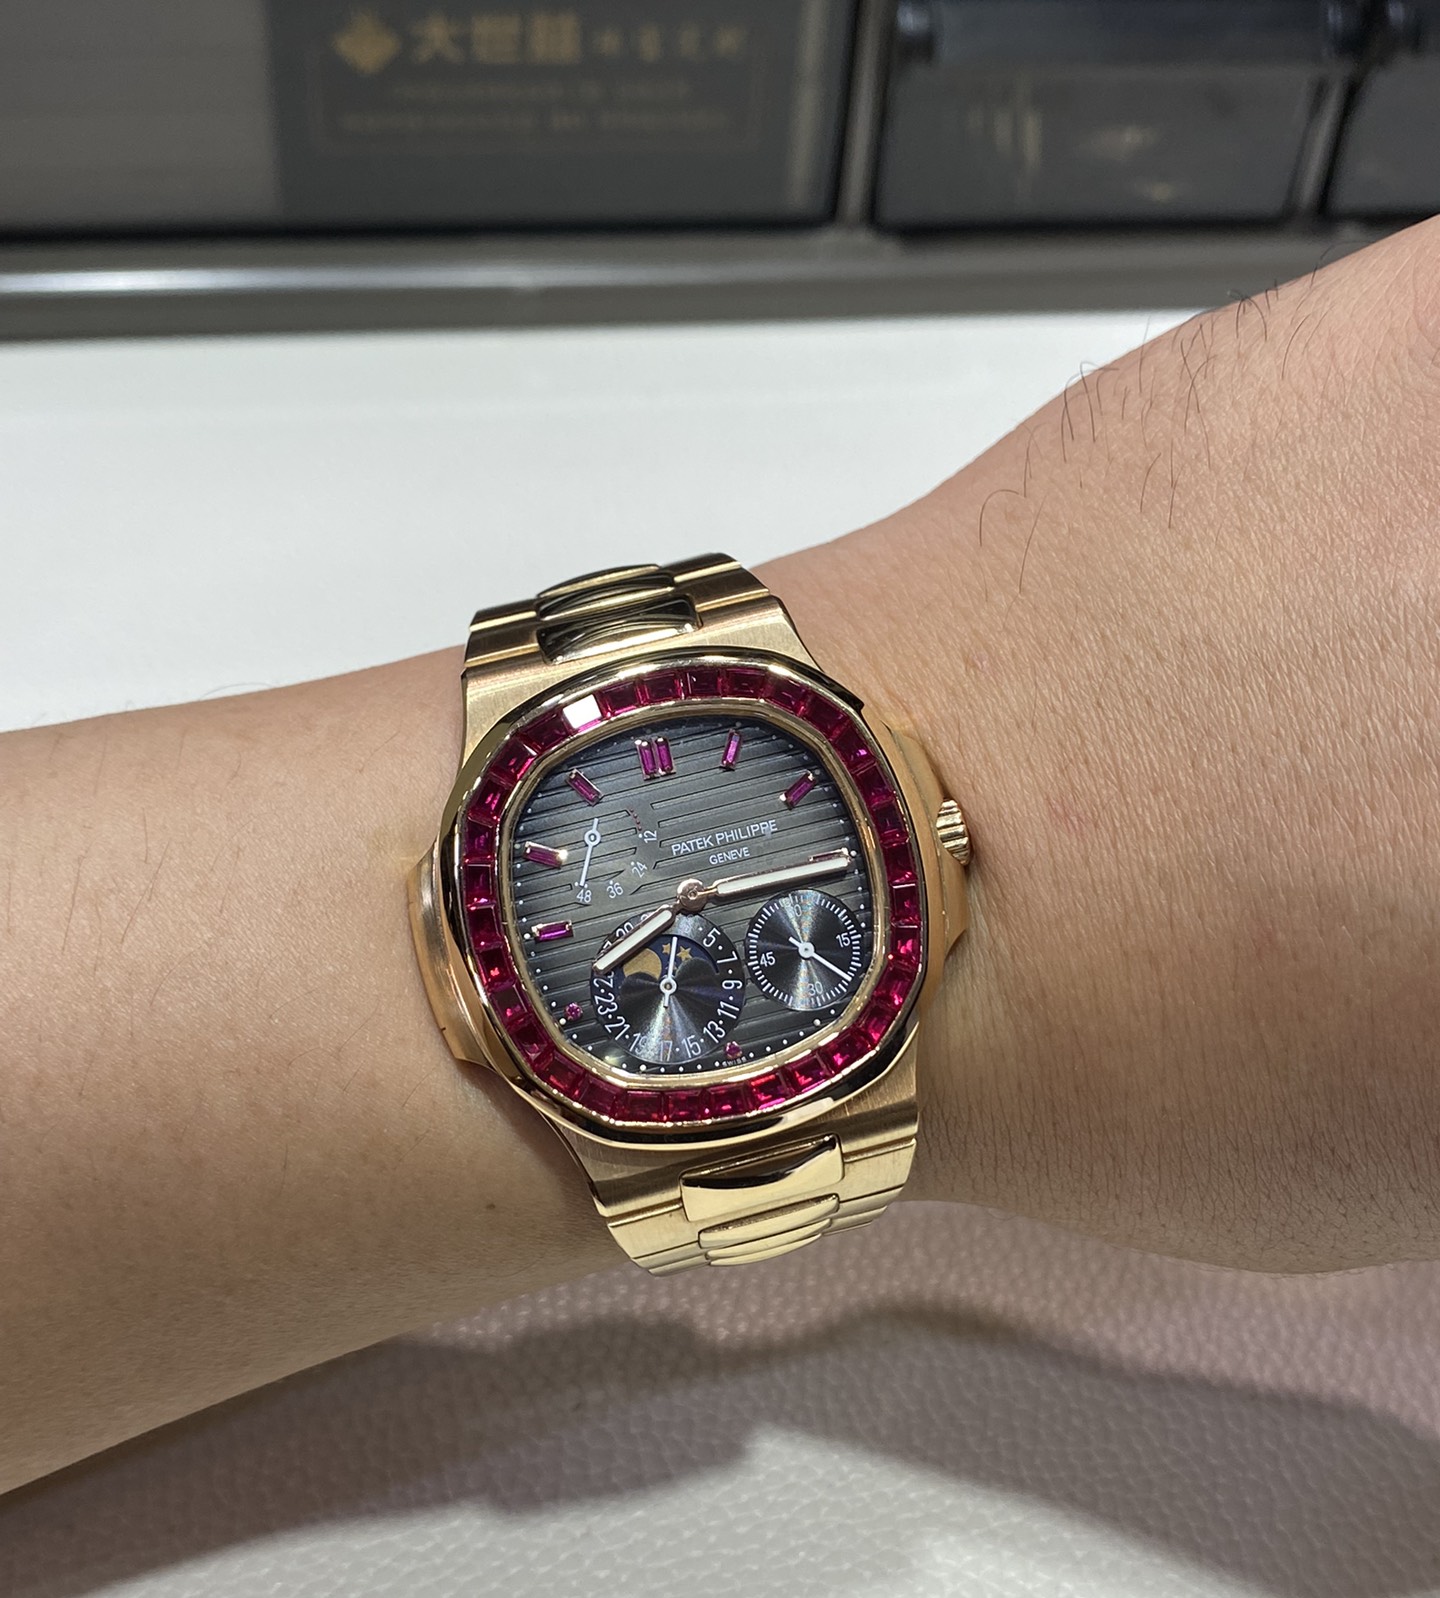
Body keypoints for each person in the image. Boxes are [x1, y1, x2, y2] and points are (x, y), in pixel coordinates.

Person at [2, 219, 1437, 1497]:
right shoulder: (535, 930)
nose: (687, 897)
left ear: (929, 841)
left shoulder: (847, 828)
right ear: (466, 990)